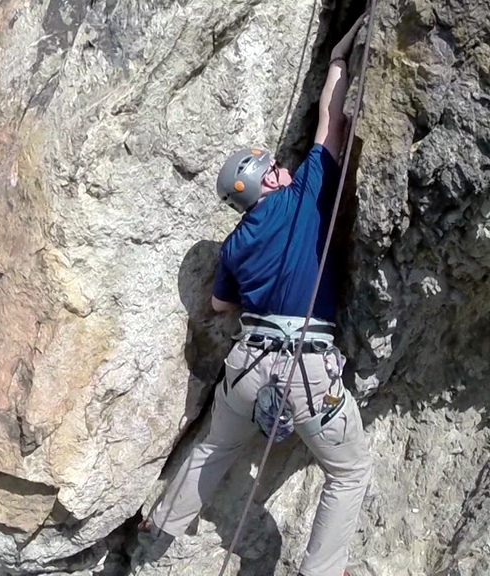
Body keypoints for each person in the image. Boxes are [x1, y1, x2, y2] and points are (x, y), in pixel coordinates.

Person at [140, 13, 374, 576]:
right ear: (266, 181)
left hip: (247, 369)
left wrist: (263, 301)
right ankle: (322, 569)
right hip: (304, 369)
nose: (283, 166)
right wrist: (339, 59)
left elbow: (222, 306)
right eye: (273, 166)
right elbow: (330, 124)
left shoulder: (235, 245)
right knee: (349, 471)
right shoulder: (304, 198)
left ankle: (163, 519)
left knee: (217, 447)